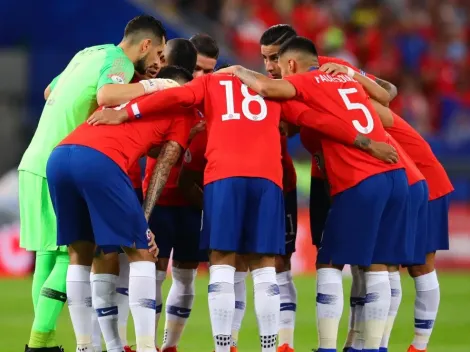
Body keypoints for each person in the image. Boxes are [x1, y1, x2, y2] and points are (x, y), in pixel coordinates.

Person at [218, 36, 411, 352]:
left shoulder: (307, 81)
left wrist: (238, 69)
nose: (276, 72)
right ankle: (376, 347)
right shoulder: (344, 80)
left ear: (291, 64)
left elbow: (267, 90)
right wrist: (354, 79)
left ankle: (326, 347)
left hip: (360, 178)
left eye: (279, 66)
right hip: (394, 176)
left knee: (329, 263)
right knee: (377, 264)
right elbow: (386, 101)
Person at [19, 14, 168, 352]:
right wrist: (153, 86)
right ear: (145, 45)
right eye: (158, 54)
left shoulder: (89, 53)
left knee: (47, 255)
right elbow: (107, 94)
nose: (158, 63)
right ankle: (39, 342)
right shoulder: (119, 63)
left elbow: (48, 90)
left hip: (34, 158)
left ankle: (44, 339)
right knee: (68, 255)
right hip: (62, 159)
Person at [47, 66, 193, 352]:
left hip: (61, 156)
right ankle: (147, 347)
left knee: (80, 253)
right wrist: (144, 222)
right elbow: (162, 168)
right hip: (100, 162)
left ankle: (85, 346)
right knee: (142, 254)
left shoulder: (129, 94)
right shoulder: (182, 110)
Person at [111, 37, 198, 352]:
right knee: (145, 268)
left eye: (206, 69)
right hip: (156, 198)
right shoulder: (155, 92)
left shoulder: (203, 97)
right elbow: (158, 157)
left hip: (191, 203)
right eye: (198, 67)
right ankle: (132, 343)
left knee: (186, 278)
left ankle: (167, 345)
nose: (200, 73)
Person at [371, 103, 454, 352]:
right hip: (402, 187)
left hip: (428, 183)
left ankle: (419, 346)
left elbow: (387, 93)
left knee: (421, 268)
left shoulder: (369, 107)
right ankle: (381, 344)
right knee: (388, 263)